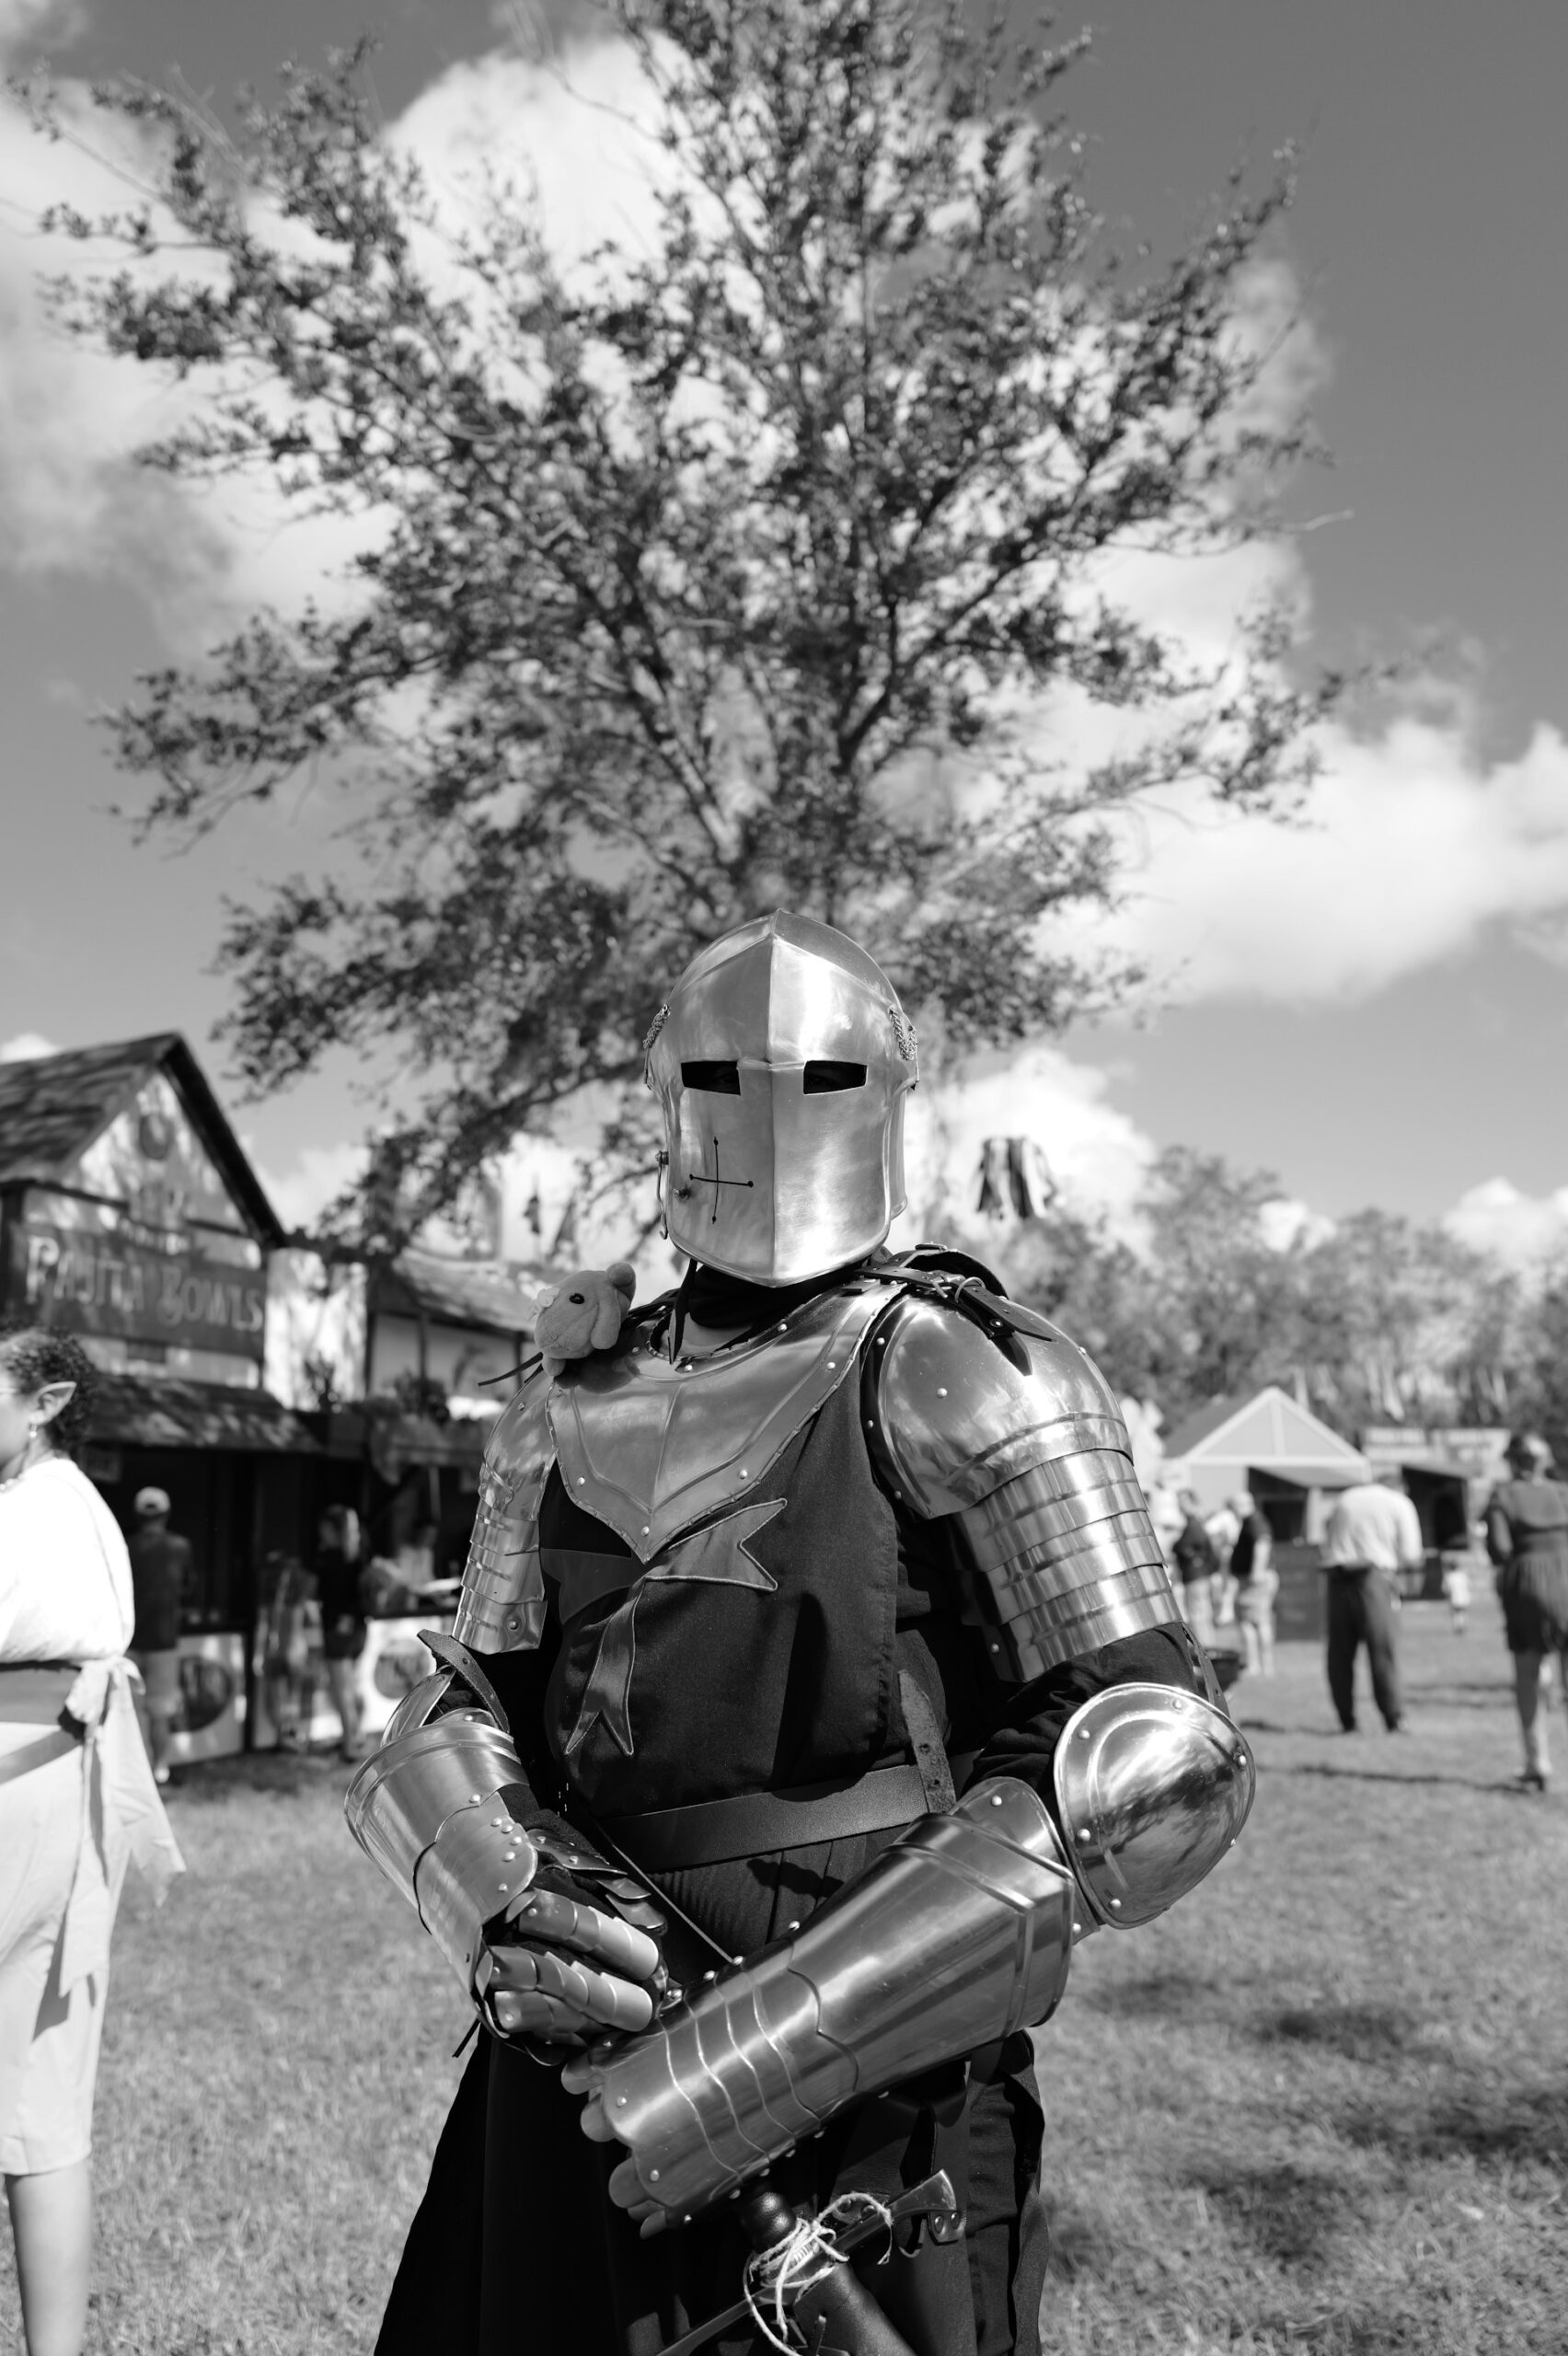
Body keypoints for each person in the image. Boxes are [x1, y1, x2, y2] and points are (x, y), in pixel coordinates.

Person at [345, 911, 1255, 2356]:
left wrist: (774, 2048)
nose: (773, 1111)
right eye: (723, 1075)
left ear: (886, 1095)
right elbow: (462, 1698)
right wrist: (502, 1902)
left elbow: (1148, 1765)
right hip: (580, 2034)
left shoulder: (968, 1368)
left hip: (867, 2085)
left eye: (824, 1076)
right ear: (668, 1099)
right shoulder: (568, 1394)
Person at [0, 1326, 183, 2356]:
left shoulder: (36, 1511)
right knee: (40, 2113)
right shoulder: (70, 1507)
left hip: (27, 1783)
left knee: (42, 2108)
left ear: (46, 1399)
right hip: (63, 1790)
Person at [1484, 1432, 1568, 1791]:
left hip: (1528, 1585)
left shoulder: (1503, 1496)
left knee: (1528, 1676)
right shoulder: (1562, 1492)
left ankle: (1538, 1762)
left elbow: (1500, 1549)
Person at [1320, 1471, 1422, 1734]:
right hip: (1374, 1578)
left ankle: (1346, 1719)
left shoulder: (1345, 1498)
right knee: (1383, 1651)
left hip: (1337, 1577)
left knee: (1339, 1654)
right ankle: (1394, 1717)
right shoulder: (1399, 1502)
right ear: (1400, 1487)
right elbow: (1411, 1553)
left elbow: (1327, 1536)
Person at [125, 1489, 191, 1786]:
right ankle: (159, 1769)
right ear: (166, 1514)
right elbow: (190, 1586)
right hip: (163, 1641)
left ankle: (137, 1772)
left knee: (132, 1712)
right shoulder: (180, 1547)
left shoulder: (125, 1545)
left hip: (127, 1640)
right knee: (160, 1712)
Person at [313, 1505, 369, 1762]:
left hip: (338, 1630)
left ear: (332, 1530)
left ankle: (350, 1746)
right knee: (352, 1687)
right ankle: (355, 1736)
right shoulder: (359, 1555)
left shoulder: (331, 1559)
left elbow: (325, 1595)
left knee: (342, 1691)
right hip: (358, 1629)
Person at [1228, 1491, 1277, 1680]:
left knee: (1252, 1622)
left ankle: (1259, 1665)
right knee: (1255, 1621)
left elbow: (1262, 1544)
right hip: (1253, 1579)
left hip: (1255, 1580)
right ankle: (1260, 1665)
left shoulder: (1255, 1521)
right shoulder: (1251, 1522)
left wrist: (1257, 1571)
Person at [1170, 1487, 1219, 1650]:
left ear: (1192, 1502)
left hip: (1197, 1576)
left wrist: (1177, 1546)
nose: (1180, 1505)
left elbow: (1183, 1546)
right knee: (1200, 1614)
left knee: (1199, 1615)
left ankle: (1205, 1652)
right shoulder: (1191, 1523)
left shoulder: (1195, 1524)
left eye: (1183, 1501)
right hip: (1195, 1575)